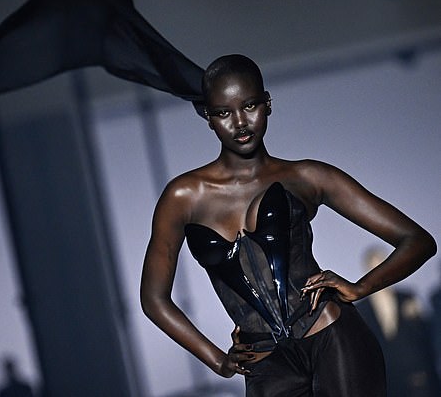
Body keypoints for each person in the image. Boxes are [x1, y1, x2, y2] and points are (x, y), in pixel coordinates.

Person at [140, 54, 437, 397]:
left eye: (250, 105)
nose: (240, 122)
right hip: (265, 365)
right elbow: (153, 298)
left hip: (332, 338)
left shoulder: (307, 177)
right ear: (208, 117)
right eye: (224, 112)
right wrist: (218, 361)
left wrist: (361, 287)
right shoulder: (183, 197)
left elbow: (417, 241)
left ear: (267, 104)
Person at [356, 246, 441, 397]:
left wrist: (417, 317)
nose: (381, 272)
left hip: (419, 380)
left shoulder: (407, 298)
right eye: (375, 267)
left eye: (384, 265)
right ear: (367, 271)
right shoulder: (361, 311)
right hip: (386, 384)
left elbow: (428, 338)